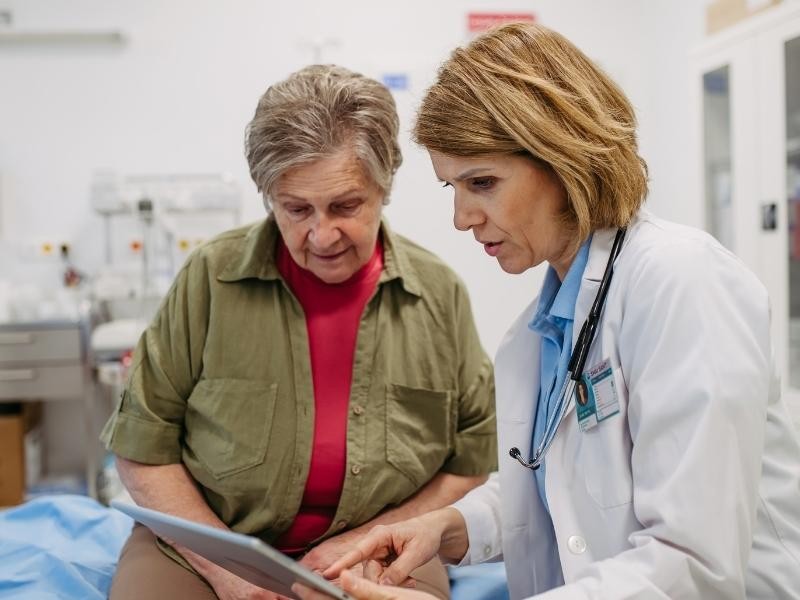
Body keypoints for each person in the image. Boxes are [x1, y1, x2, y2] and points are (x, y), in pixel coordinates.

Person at [294, 23, 800, 600]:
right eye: (451, 188)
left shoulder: (683, 283)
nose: (462, 218)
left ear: (564, 160)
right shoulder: (539, 333)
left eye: (481, 182)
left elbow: (691, 565)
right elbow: (549, 480)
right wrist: (447, 528)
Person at [100, 64, 498, 600]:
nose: (322, 233)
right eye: (296, 209)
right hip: (207, 545)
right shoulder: (211, 280)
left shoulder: (438, 294)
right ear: (269, 198)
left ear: (384, 188)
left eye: (345, 206)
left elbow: (471, 458)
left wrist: (371, 538)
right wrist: (228, 573)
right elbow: (142, 446)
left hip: (379, 546)